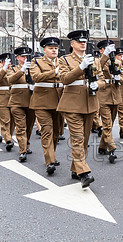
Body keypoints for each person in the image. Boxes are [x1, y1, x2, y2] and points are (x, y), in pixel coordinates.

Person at [57, 30, 101, 185]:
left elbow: (101, 78)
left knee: (85, 139)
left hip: (90, 102)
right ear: (72, 44)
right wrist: (81, 67)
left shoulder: (95, 60)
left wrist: (97, 84)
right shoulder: (64, 60)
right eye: (79, 41)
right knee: (77, 138)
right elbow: (64, 79)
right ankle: (84, 172)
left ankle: (75, 168)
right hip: (72, 104)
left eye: (84, 41)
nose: (83, 44)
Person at [29, 37, 65, 168]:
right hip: (42, 102)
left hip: (59, 101)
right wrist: (53, 72)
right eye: (51, 48)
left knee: (56, 132)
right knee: (47, 130)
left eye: (56, 48)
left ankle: (52, 155)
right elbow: (36, 77)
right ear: (44, 50)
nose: (54, 50)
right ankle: (49, 161)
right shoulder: (36, 62)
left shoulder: (63, 62)